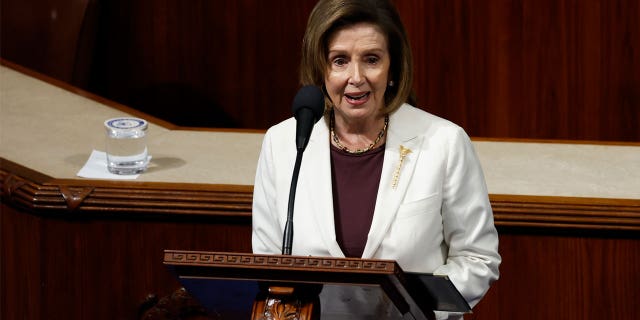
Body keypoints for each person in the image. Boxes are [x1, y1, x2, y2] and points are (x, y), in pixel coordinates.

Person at [252, 0, 501, 318]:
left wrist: (414, 306)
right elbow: (266, 262)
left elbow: (478, 258)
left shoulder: (444, 143)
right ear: (320, 68)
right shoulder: (283, 144)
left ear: (393, 68)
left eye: (371, 59)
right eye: (339, 61)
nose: (355, 77)